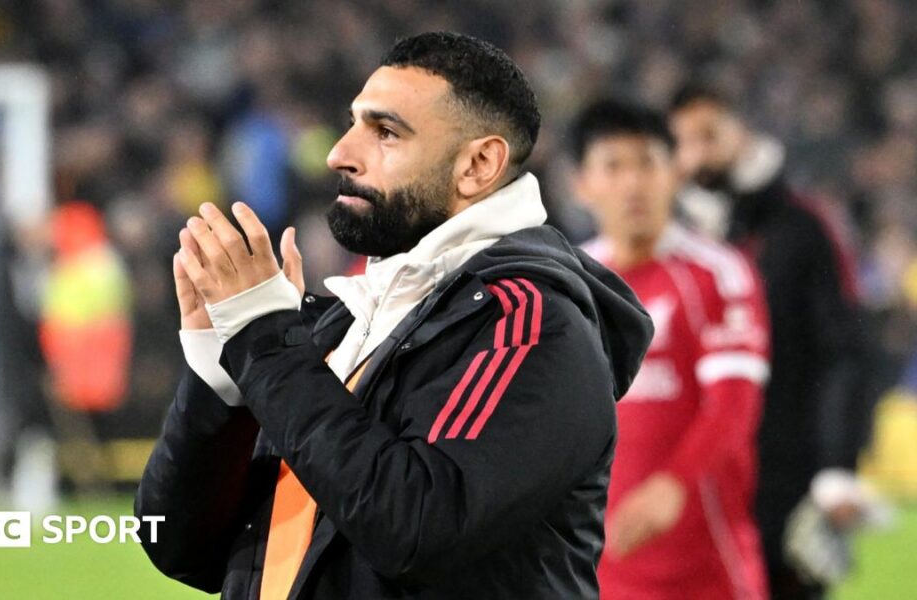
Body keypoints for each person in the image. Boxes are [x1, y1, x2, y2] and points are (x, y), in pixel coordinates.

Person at [135, 32, 653, 600]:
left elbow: (412, 528)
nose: (339, 153)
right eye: (353, 123)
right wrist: (222, 369)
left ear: (479, 164)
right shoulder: (347, 321)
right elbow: (180, 547)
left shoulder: (529, 324)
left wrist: (263, 339)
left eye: (384, 133)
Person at [669, 84, 868, 599]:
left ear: (742, 129)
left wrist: (835, 468)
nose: (696, 153)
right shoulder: (668, 238)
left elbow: (842, 355)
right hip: (689, 489)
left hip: (783, 480)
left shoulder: (803, 228)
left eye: (709, 134)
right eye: (683, 140)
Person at [570, 99, 771, 599]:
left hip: (705, 569)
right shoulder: (566, 282)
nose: (633, 183)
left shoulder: (717, 274)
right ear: (583, 185)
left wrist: (673, 484)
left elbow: (734, 405)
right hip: (597, 571)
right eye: (613, 166)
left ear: (674, 173)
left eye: (647, 163)